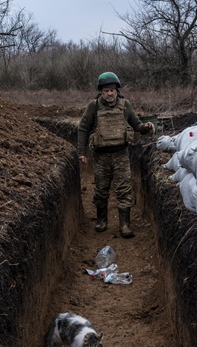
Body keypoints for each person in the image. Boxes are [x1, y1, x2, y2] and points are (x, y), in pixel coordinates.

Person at [77, 72, 155, 238]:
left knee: (124, 190)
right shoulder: (94, 106)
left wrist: (146, 127)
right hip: (100, 157)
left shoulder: (125, 105)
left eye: (112, 90)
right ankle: (102, 221)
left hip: (121, 154)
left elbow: (137, 125)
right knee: (101, 189)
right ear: (101, 92)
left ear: (117, 90)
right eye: (106, 91)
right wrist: (82, 152)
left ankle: (125, 225)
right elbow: (83, 129)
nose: (109, 94)